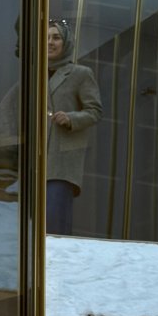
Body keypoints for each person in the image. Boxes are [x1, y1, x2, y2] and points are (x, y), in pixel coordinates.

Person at [44, 18, 101, 234]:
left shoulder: (80, 73)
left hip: (62, 162)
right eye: (46, 38)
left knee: (54, 223)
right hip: (33, 160)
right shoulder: (33, 72)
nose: (50, 42)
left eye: (56, 37)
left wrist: (71, 119)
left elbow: (95, 111)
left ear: (66, 42)